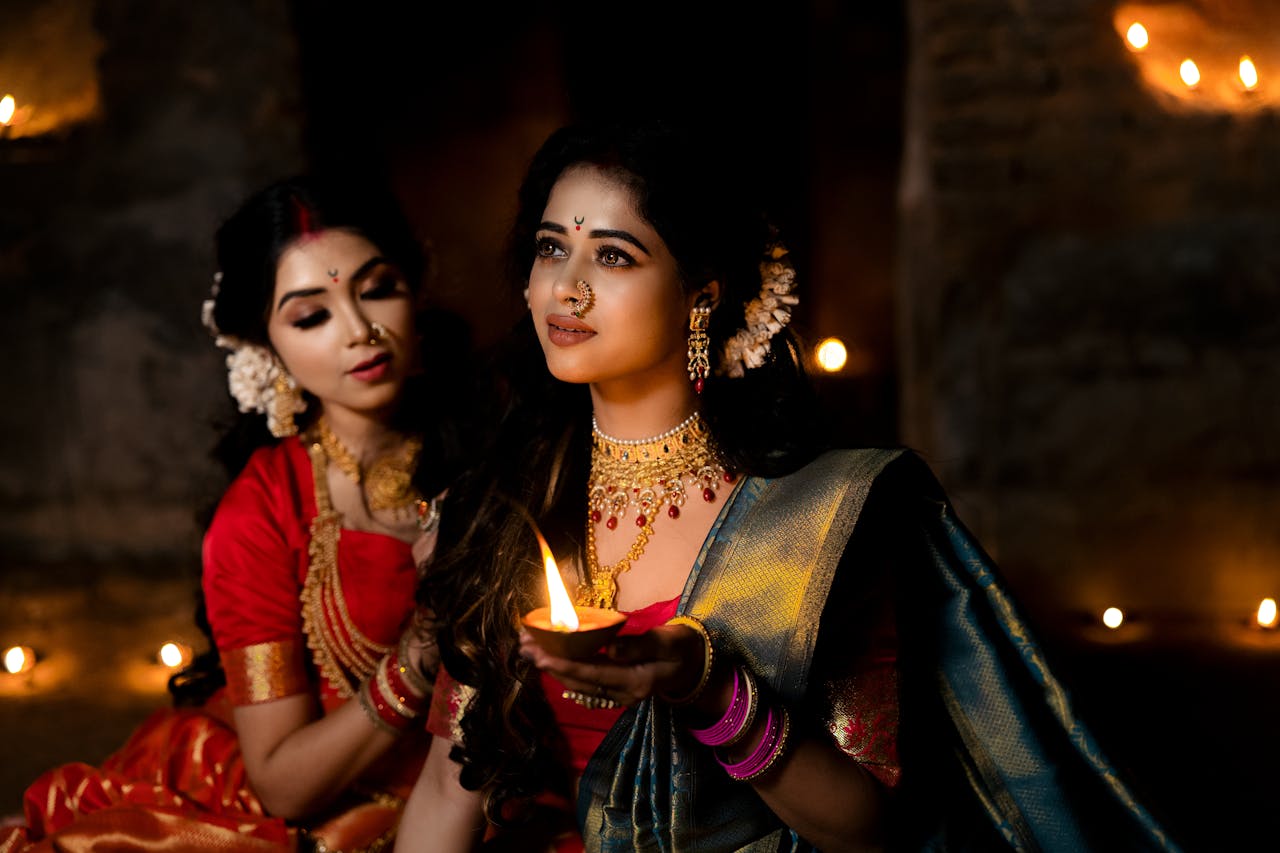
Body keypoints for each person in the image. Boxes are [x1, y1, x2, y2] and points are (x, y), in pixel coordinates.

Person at [392, 121, 1181, 853]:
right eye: (549, 247)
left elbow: (869, 827)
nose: (566, 288)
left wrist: (710, 691)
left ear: (702, 293)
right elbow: (443, 792)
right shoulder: (502, 504)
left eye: (613, 255)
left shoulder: (814, 515)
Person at [1, 175, 468, 853]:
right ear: (265, 347)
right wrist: (423, 651)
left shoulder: (494, 448)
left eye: (376, 289)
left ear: (416, 291)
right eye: (312, 316)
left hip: (489, 783)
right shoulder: (261, 514)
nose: (361, 331)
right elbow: (281, 783)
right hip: (319, 807)